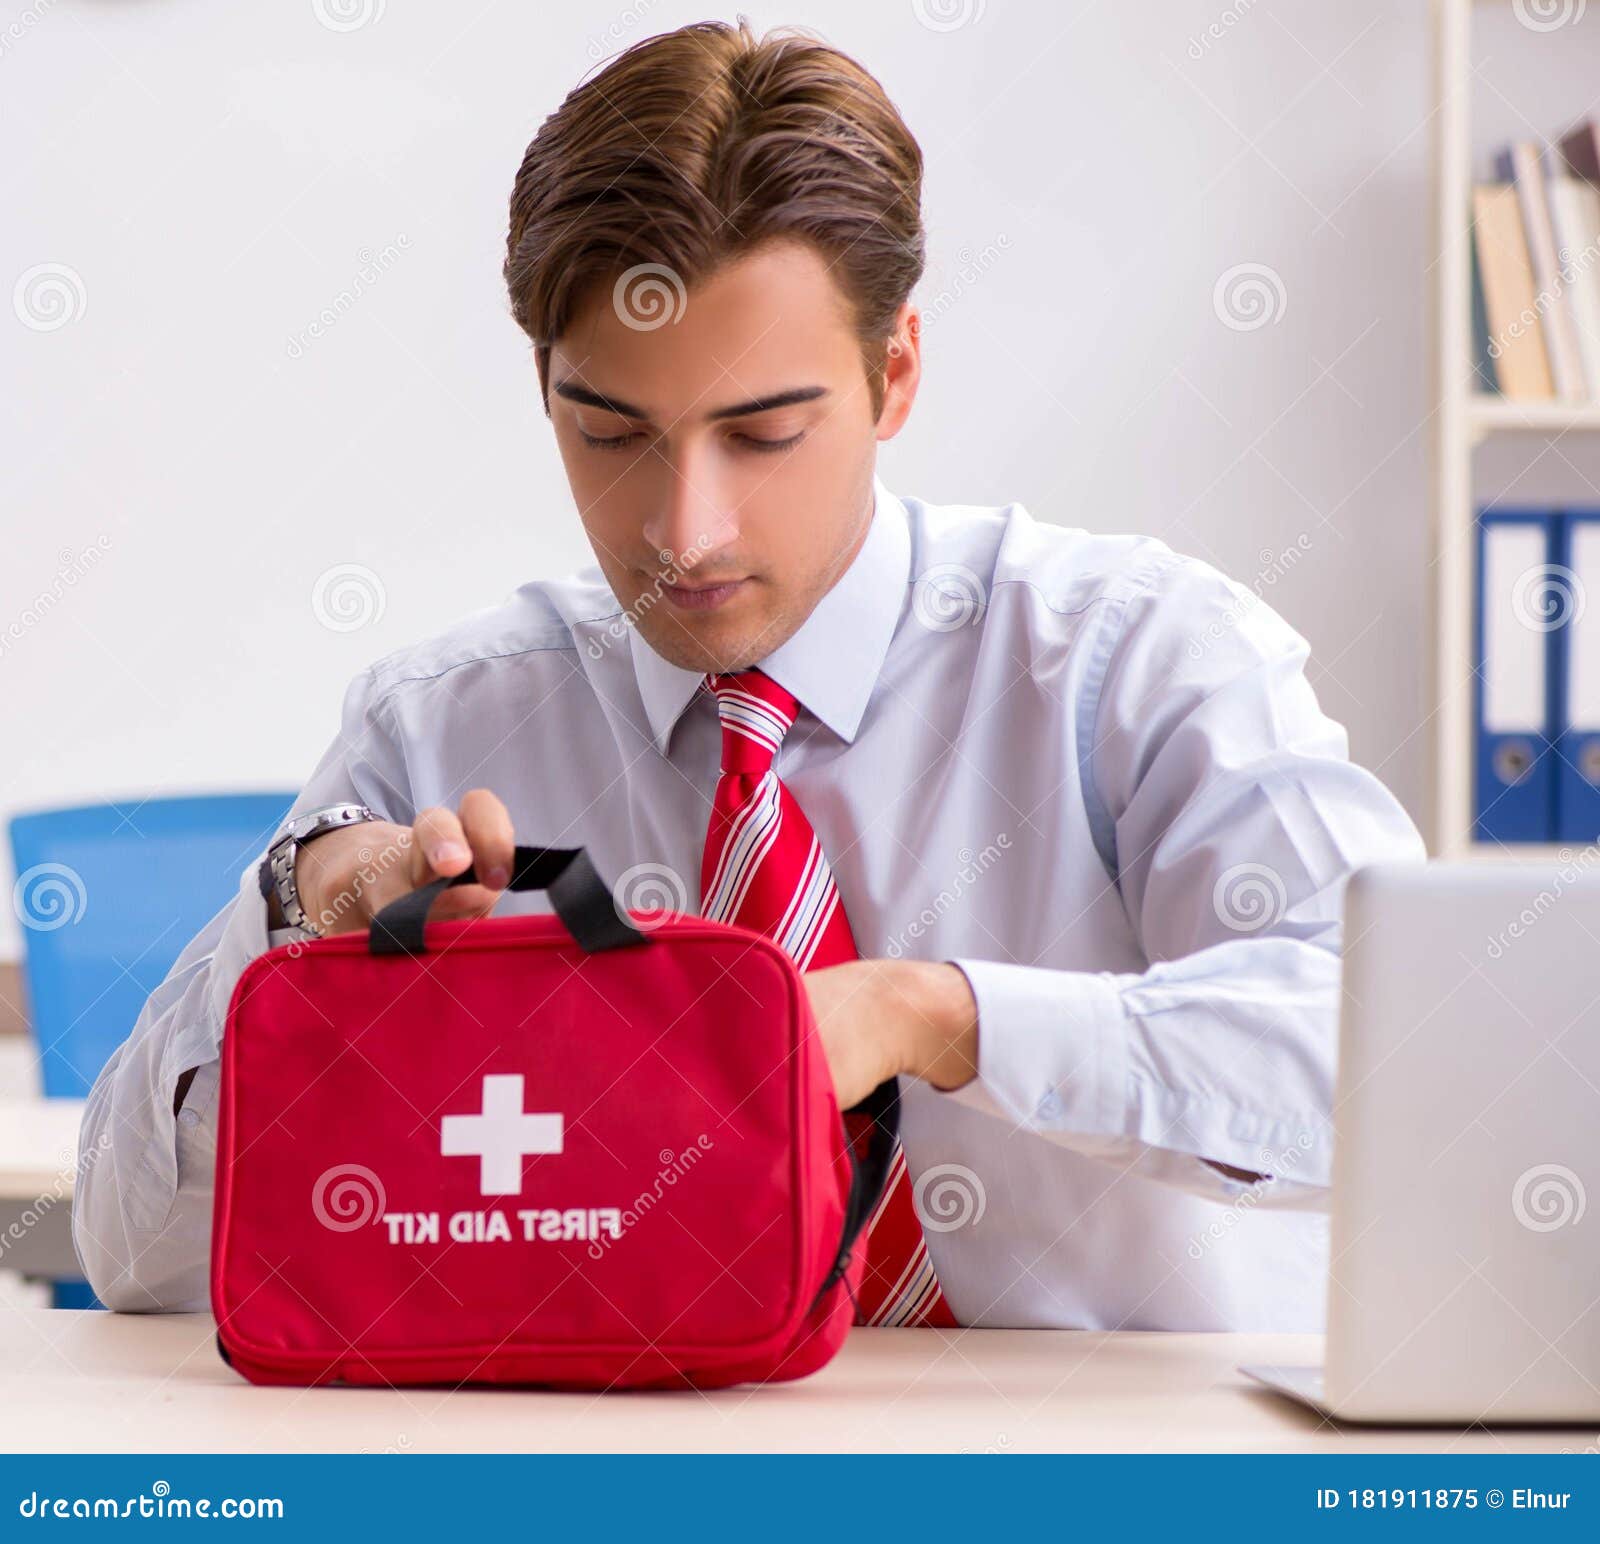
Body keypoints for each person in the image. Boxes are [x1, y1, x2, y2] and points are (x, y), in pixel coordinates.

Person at [74, 18, 1423, 1328]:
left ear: (896, 372)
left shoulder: (1134, 662)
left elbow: (1404, 1069)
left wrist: (938, 1017)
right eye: (612, 433)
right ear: (546, 389)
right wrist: (296, 919)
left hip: (1092, 1455)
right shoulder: (444, 726)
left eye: (765, 433)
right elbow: (134, 1255)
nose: (687, 529)